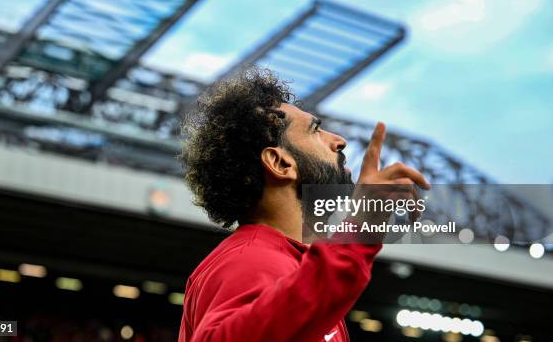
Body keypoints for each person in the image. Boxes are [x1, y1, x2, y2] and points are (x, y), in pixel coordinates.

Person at [178, 68, 429, 342]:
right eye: (315, 130)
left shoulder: (291, 265)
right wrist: (359, 232)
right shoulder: (249, 262)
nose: (339, 141)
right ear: (280, 163)